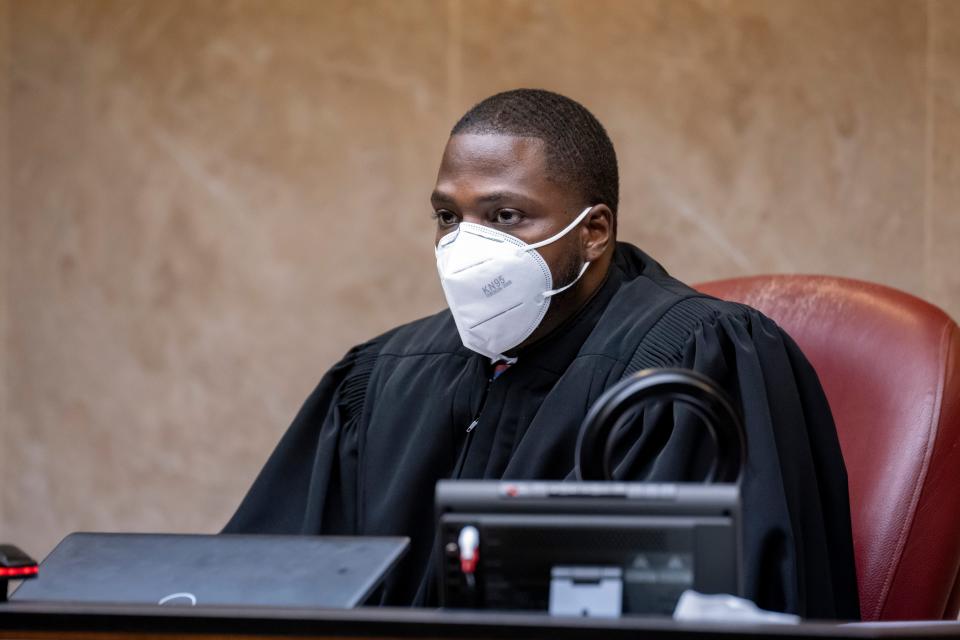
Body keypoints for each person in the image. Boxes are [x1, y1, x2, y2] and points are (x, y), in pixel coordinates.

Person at [225, 89, 860, 619]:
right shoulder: (381, 378)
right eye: (449, 217)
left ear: (594, 230)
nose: (467, 245)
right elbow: (257, 588)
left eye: (505, 215)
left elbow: (730, 605)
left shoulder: (695, 364)